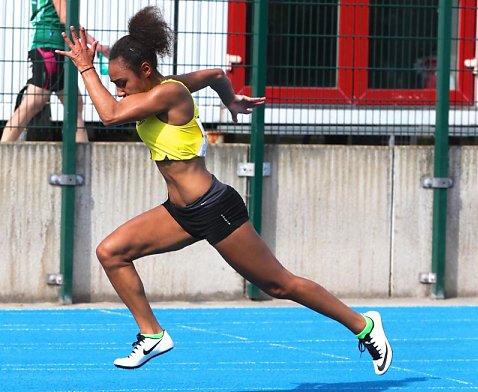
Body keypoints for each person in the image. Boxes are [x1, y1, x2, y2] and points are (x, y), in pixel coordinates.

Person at [57, 6, 392, 375]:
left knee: (279, 284)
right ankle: (152, 334)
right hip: (180, 212)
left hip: (214, 208)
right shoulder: (162, 88)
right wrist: (230, 99)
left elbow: (109, 115)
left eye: (122, 83)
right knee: (111, 252)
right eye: (115, 83)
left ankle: (364, 325)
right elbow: (217, 73)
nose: (119, 91)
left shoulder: (167, 95)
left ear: (146, 71)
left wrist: (87, 68)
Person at [0, 0, 109, 143]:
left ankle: (81, 160)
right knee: (33, 103)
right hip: (50, 48)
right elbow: (66, 18)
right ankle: (3, 153)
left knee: (74, 104)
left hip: (50, 47)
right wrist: (97, 45)